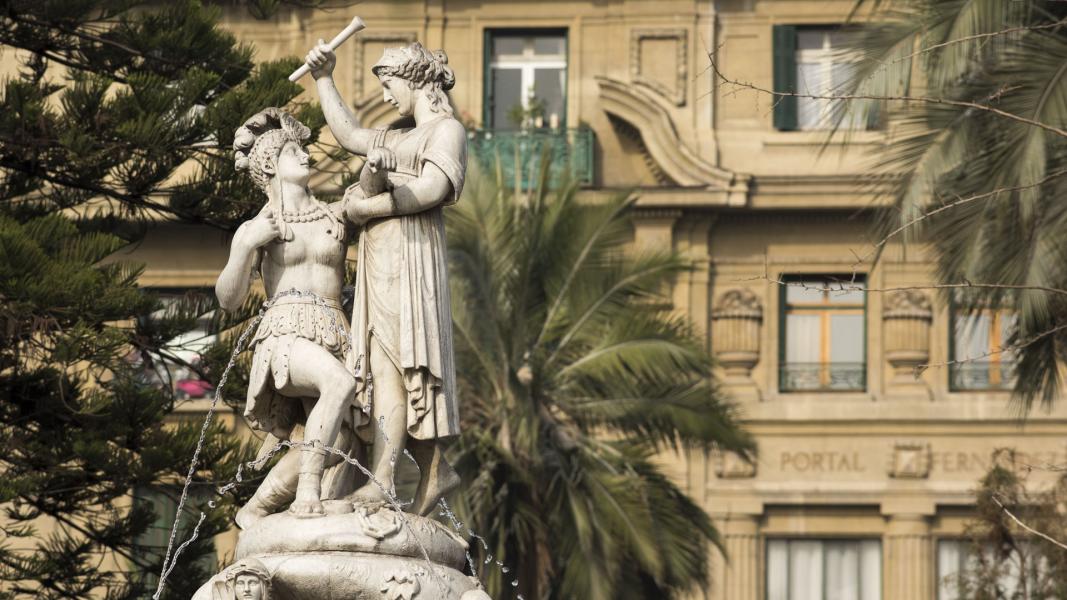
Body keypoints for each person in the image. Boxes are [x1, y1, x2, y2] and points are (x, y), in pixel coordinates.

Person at [303, 39, 465, 514]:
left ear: (415, 80)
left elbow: (434, 187)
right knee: (380, 365)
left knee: (397, 362)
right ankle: (428, 471)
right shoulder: (395, 138)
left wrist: (364, 207)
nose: (389, 95)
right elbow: (350, 134)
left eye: (391, 84)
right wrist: (324, 77)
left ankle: (387, 478)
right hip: (382, 261)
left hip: (411, 259)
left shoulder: (446, 131)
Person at [217, 108, 362, 524]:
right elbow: (229, 299)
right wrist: (245, 250)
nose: (304, 156)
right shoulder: (257, 228)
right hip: (286, 331)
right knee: (339, 383)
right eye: (292, 151)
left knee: (343, 436)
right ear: (269, 164)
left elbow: (368, 192)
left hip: (336, 330)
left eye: (303, 149)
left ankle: (256, 508)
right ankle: (308, 492)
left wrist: (378, 167)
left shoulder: (334, 215)